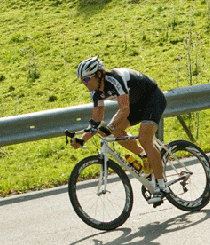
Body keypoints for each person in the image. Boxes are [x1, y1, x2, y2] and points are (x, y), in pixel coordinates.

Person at [71, 57, 168, 204]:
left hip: (152, 99)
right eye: (82, 81)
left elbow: (124, 109)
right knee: (116, 132)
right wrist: (82, 140)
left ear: (98, 74)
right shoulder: (95, 93)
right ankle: (145, 156)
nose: (85, 83)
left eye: (86, 79)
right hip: (135, 105)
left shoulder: (115, 79)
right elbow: (96, 121)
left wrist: (109, 127)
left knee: (144, 138)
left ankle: (162, 187)